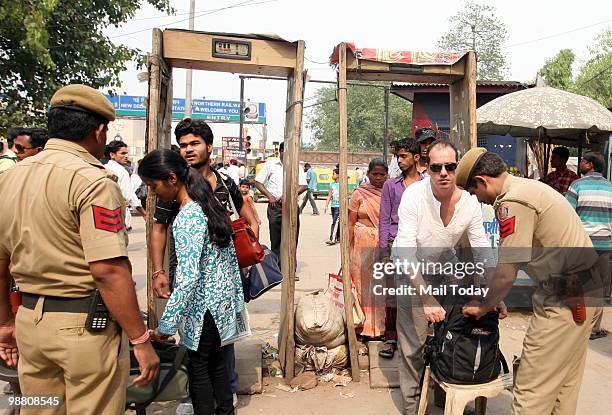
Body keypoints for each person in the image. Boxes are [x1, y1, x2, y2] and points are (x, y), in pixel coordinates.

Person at [0, 84, 159, 414]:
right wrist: (140, 340)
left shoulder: (10, 179)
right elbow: (108, 271)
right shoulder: (93, 181)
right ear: (99, 131)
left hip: (30, 324)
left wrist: (4, 324)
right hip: (84, 330)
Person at [457, 147, 603, 415]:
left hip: (564, 298)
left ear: (482, 181)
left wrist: (484, 306)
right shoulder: (530, 187)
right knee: (563, 387)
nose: (478, 200)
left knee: (530, 389)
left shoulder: (513, 201)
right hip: (587, 289)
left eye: (474, 192)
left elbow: (507, 271)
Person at [151, 119, 258, 407]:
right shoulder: (180, 193)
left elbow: (249, 219)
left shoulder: (218, 187)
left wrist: (243, 258)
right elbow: (158, 228)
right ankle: (215, 401)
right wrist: (158, 270)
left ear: (209, 147)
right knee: (211, 358)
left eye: (194, 144)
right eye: (183, 145)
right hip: (205, 285)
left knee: (209, 357)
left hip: (206, 290)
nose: (188, 150)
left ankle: (216, 400)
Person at [392, 140, 497, 414]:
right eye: (436, 167)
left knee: (450, 335)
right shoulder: (414, 196)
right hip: (412, 271)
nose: (443, 173)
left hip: (446, 271)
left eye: (450, 167)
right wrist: (426, 297)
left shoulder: (470, 204)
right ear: (426, 167)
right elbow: (403, 250)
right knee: (414, 345)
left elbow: (482, 250)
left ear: (456, 168)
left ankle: (444, 395)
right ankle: (412, 407)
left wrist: (492, 293)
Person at [377, 138, 422, 358]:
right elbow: (384, 220)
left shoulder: (427, 184)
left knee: (420, 293)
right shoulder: (390, 185)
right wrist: (383, 252)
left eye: (403, 156)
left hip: (420, 247)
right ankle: (390, 338)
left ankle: (416, 338)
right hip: (395, 244)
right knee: (393, 295)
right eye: (397, 156)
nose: (399, 160)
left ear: (416, 157)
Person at [565, 151, 612, 339]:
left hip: (582, 244)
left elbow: (567, 214)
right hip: (605, 245)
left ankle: (577, 325)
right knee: (599, 287)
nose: (580, 163)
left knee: (579, 284)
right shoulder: (611, 188)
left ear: (590, 165)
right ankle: (593, 329)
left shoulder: (577, 185)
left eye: (583, 161)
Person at [349, 159, 388, 338]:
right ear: (367, 174)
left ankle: (378, 328)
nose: (378, 178)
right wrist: (347, 249)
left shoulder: (390, 192)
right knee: (361, 285)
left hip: (382, 242)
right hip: (360, 243)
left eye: (382, 174)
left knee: (379, 286)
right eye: (375, 174)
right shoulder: (359, 193)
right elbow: (350, 223)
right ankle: (361, 326)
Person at [254, 142, 308, 258]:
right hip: (275, 207)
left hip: (291, 206)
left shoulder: (296, 166)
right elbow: (258, 182)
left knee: (292, 239)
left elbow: (303, 186)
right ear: (281, 151)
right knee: (276, 240)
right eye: (286, 151)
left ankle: (291, 269)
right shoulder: (271, 164)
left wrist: (290, 195)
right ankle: (277, 270)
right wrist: (269, 196)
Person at [105, 140, 147, 231]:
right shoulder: (121, 171)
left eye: (127, 153)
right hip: (117, 212)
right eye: (122, 153)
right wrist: (143, 213)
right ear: (112, 155)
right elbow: (129, 195)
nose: (126, 156)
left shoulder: (105, 167)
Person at [324, 169, 341, 245]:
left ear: (338, 175)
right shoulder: (332, 184)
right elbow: (329, 195)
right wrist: (326, 205)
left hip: (339, 206)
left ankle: (332, 239)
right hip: (333, 206)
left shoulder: (342, 184)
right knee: (337, 222)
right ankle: (338, 237)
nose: (332, 175)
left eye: (333, 174)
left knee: (335, 222)